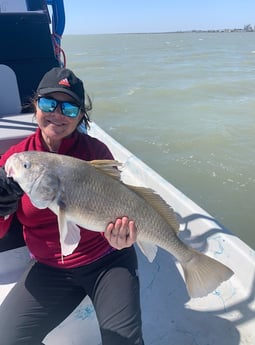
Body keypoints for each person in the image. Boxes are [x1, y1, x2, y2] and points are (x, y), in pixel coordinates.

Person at [0, 67, 145, 345]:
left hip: (108, 260)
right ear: (35, 105)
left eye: (69, 107)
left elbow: (123, 207)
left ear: (80, 115)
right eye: (48, 104)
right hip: (50, 267)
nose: (57, 113)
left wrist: (122, 238)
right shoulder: (17, 160)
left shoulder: (96, 153)